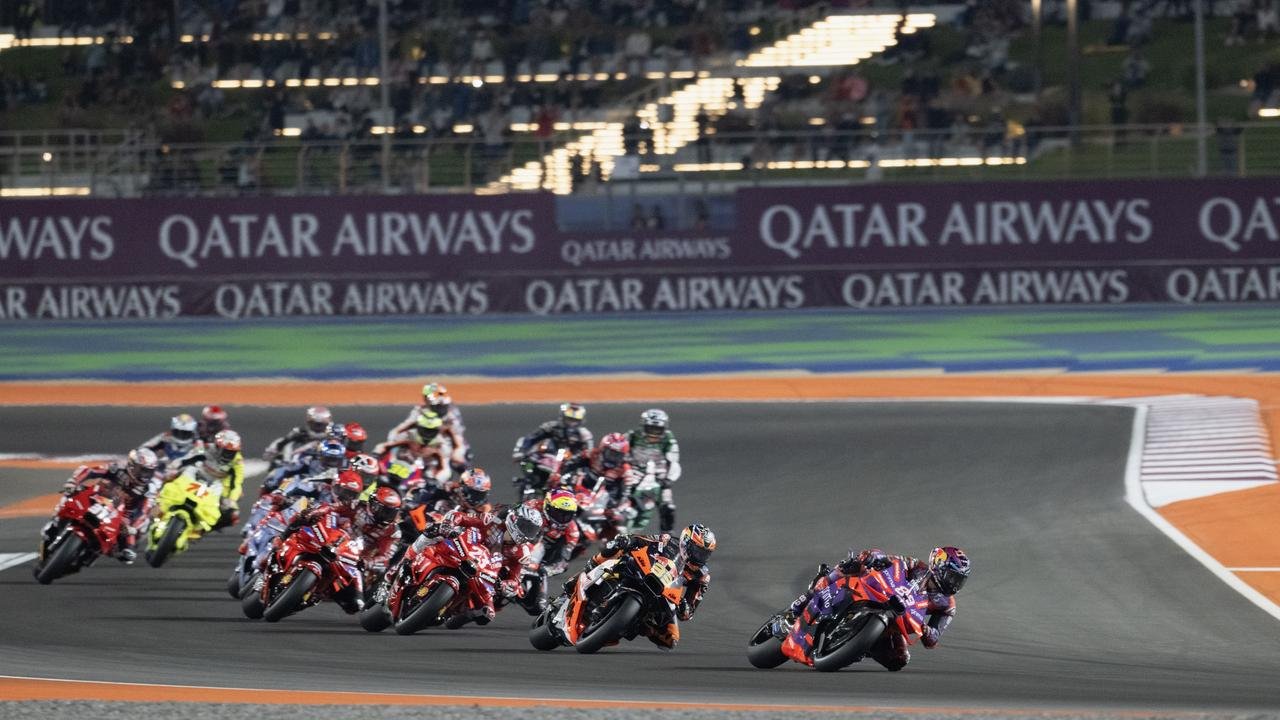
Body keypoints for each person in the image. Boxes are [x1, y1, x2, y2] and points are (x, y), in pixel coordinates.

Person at [781, 546, 970, 671]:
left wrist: (926, 630)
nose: (955, 584)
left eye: (960, 580)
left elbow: (933, 639)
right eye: (953, 577)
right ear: (938, 567)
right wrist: (874, 557)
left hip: (898, 616)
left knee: (899, 660)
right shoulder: (917, 566)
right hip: (881, 591)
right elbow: (890, 559)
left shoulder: (948, 605)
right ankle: (800, 605)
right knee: (851, 567)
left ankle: (858, 645)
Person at [573, 523, 715, 650]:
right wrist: (629, 540)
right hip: (643, 570)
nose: (700, 557)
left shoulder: (702, 576)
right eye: (698, 551)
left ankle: (634, 625)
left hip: (665, 592)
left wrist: (684, 607)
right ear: (687, 543)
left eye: (705, 554)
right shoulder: (667, 540)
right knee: (617, 547)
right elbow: (641, 539)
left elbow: (689, 612)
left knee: (671, 639)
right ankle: (591, 566)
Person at [412, 503, 545, 626]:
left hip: (484, 572)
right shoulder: (491, 521)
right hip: (463, 549)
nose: (527, 532)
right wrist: (448, 525)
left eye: (531, 530)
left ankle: (462, 612)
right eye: (525, 526)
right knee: (432, 531)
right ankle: (409, 557)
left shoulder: (522, 553)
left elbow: (515, 579)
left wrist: (505, 585)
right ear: (514, 519)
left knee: (487, 615)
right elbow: (458, 516)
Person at [41, 448, 162, 564]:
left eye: (148, 472)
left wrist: (133, 528)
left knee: (132, 538)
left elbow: (145, 512)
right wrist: (73, 481)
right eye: (142, 470)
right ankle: (55, 522)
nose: (145, 475)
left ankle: (124, 549)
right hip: (97, 497)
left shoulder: (148, 490)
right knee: (71, 494)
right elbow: (90, 471)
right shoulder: (117, 468)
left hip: (122, 516)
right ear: (131, 465)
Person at [553, 432, 634, 533]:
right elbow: (571, 463)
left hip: (603, 499)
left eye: (617, 455)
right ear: (603, 449)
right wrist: (561, 475)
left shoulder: (626, 471)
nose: (613, 458)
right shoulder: (591, 453)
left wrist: (614, 508)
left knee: (620, 524)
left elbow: (625, 494)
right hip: (582, 488)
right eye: (611, 453)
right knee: (558, 488)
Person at [169, 429, 245, 530]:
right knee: (171, 475)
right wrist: (176, 465)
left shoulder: (237, 462)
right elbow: (188, 457)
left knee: (232, 513)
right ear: (218, 446)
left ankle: (201, 529)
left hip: (216, 484)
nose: (228, 455)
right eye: (226, 451)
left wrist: (231, 499)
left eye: (232, 452)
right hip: (197, 474)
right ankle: (158, 502)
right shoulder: (206, 448)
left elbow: (237, 483)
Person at [387, 383, 469, 469]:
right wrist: (393, 439)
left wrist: (456, 451)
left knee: (458, 460)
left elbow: (458, 436)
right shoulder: (420, 410)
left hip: (443, 443)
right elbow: (404, 426)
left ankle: (468, 478)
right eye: (426, 397)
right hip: (421, 440)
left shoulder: (451, 414)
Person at [627, 409, 683, 532]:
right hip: (634, 473)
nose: (654, 433)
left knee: (668, 508)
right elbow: (621, 452)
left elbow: (673, 461)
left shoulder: (668, 439)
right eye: (650, 429)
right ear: (643, 426)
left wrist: (668, 480)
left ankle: (666, 535)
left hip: (659, 478)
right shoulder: (632, 436)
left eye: (657, 430)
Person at [527, 487, 581, 577]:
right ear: (547, 506)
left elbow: (564, 560)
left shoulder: (573, 531)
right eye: (558, 513)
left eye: (567, 515)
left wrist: (546, 570)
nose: (562, 518)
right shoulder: (532, 506)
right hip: (518, 542)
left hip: (541, 559)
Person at [513, 402, 594, 461]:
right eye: (569, 419)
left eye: (575, 420)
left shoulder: (585, 434)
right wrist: (520, 451)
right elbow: (531, 438)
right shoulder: (550, 426)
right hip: (547, 458)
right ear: (562, 417)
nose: (572, 423)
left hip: (570, 463)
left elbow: (590, 453)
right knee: (529, 462)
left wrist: (579, 457)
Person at [263, 406, 332, 466]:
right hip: (297, 464)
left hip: (324, 465)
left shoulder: (334, 434)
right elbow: (283, 442)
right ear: (309, 422)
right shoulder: (299, 432)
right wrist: (274, 451)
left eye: (321, 425)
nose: (318, 427)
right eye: (315, 424)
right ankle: (285, 464)